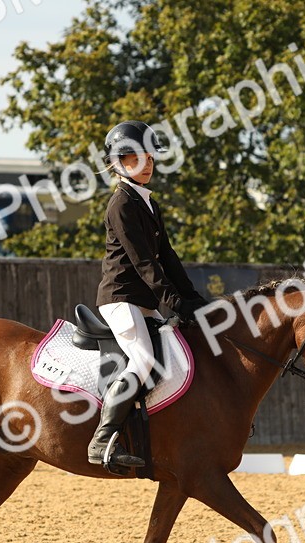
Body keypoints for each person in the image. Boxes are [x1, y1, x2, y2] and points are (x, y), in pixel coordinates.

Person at [87, 120, 209, 470]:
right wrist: (175, 303)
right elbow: (144, 265)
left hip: (142, 301)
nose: (149, 164)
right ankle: (101, 439)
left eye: (151, 158)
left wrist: (194, 300)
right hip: (120, 298)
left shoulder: (149, 203)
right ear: (121, 161)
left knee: (178, 353)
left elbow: (168, 258)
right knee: (142, 360)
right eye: (140, 158)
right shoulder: (121, 204)